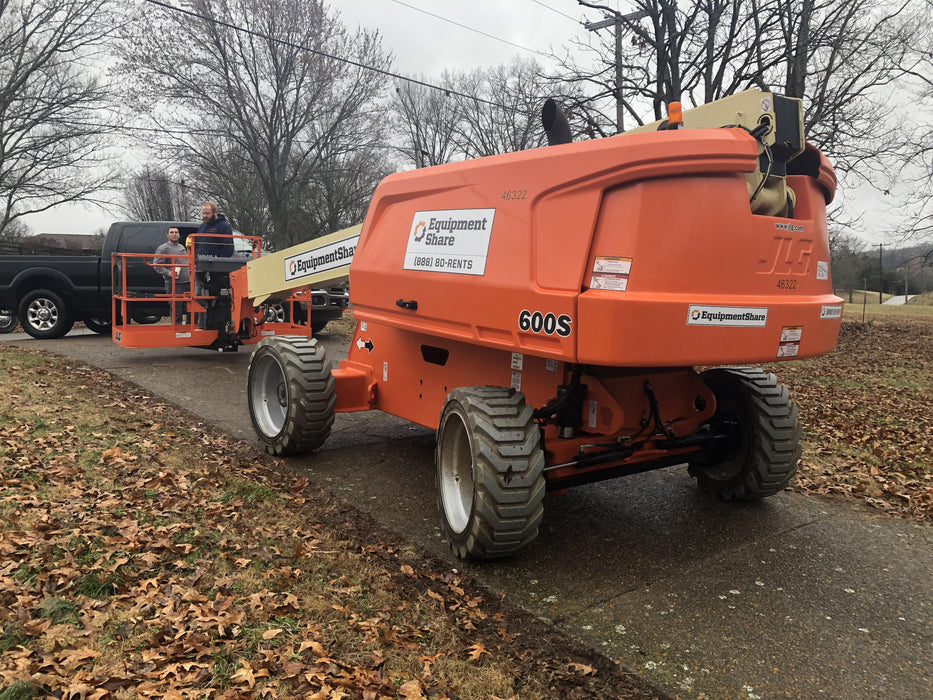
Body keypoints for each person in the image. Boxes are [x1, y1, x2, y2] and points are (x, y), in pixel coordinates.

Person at [153, 227, 190, 324]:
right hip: (174, 283)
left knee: (190, 306)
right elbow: (157, 265)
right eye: (172, 232)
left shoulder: (182, 247)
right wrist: (169, 273)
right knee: (176, 307)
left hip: (188, 282)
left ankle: (190, 328)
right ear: (167, 235)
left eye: (176, 232)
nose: (174, 234)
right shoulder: (163, 248)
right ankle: (176, 329)